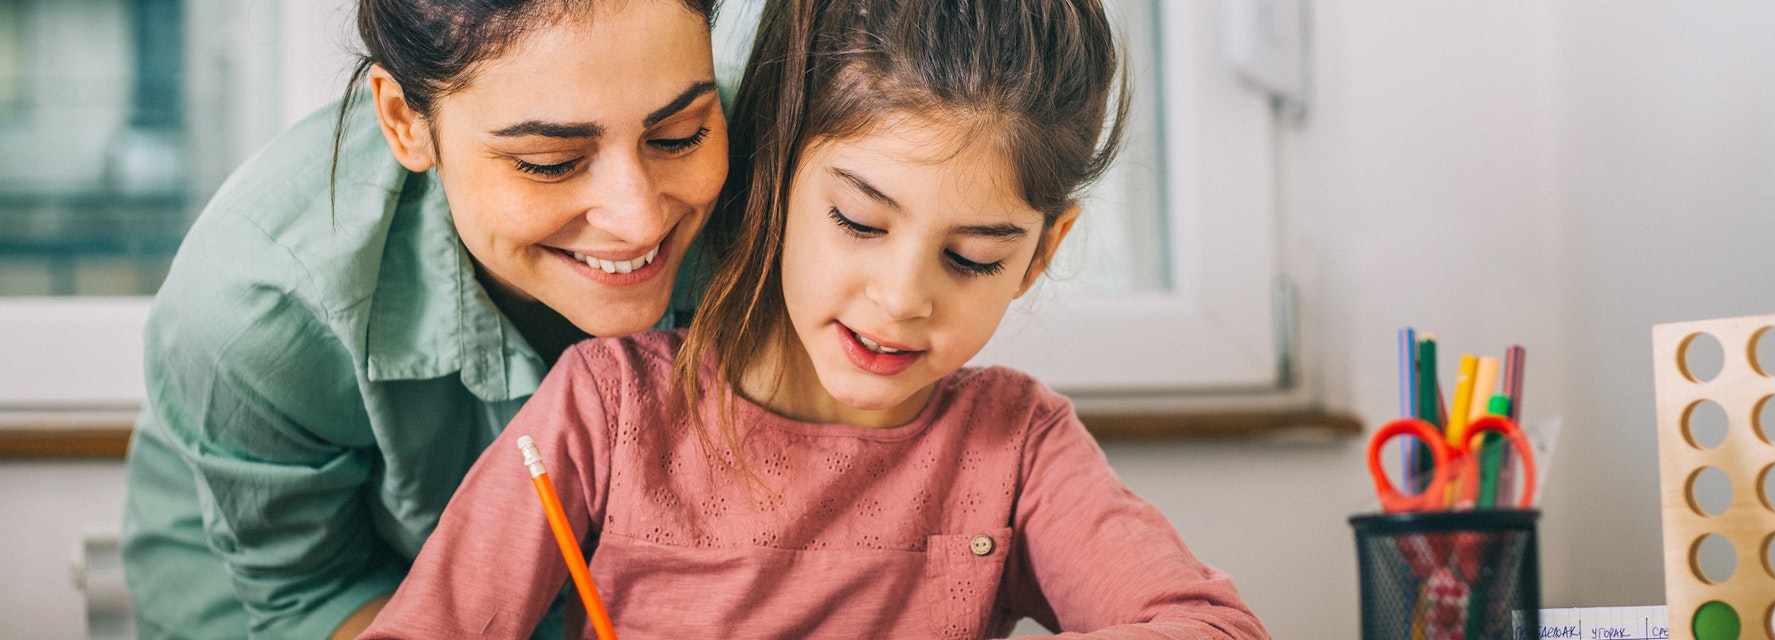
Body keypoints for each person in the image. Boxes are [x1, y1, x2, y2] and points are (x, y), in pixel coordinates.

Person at [359, 0, 1270, 636]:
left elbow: (1211, 628)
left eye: (974, 258)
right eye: (859, 222)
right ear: (774, 170)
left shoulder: (1017, 447)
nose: (902, 298)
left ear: (1041, 251)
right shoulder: (611, 408)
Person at [120, 1, 728, 637]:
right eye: (551, 161)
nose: (638, 219)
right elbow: (314, 593)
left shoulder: (782, 176)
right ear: (404, 120)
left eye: (679, 134)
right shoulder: (258, 304)